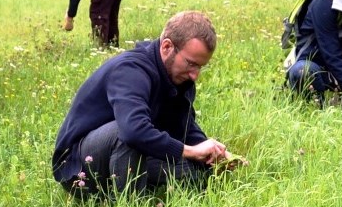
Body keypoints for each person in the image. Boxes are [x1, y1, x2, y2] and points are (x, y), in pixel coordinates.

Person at [53, 11, 231, 195]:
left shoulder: (180, 78)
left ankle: (140, 185)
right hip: (79, 168)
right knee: (128, 132)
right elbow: (133, 131)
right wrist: (191, 152)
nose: (195, 75)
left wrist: (212, 153)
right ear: (167, 46)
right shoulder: (130, 70)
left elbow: (184, 127)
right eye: (191, 64)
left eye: (200, 66)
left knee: (201, 174)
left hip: (127, 155)